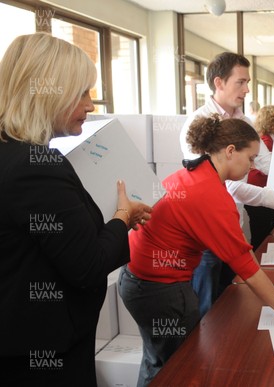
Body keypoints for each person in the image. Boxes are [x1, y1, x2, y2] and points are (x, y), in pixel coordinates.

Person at [120, 115, 274, 386]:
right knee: (178, 370)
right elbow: (246, 265)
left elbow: (236, 249)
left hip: (137, 281)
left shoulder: (194, 173)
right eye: (251, 158)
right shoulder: (210, 194)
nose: (253, 165)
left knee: (158, 361)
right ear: (230, 151)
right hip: (161, 290)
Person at [0, 33, 152, 385]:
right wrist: (122, 218)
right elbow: (89, 265)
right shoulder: (35, 166)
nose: (91, 104)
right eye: (82, 92)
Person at [179, 52, 274, 318]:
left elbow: (271, 166)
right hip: (207, 235)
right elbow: (223, 188)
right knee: (205, 311)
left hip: (234, 226)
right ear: (219, 82)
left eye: (249, 82)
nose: (247, 90)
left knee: (231, 305)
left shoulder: (244, 122)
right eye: (241, 82)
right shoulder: (197, 123)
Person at [246, 105, 274, 248]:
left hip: (261, 187)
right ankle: (261, 259)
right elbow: (271, 167)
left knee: (263, 228)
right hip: (259, 188)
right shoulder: (266, 141)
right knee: (261, 230)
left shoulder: (268, 138)